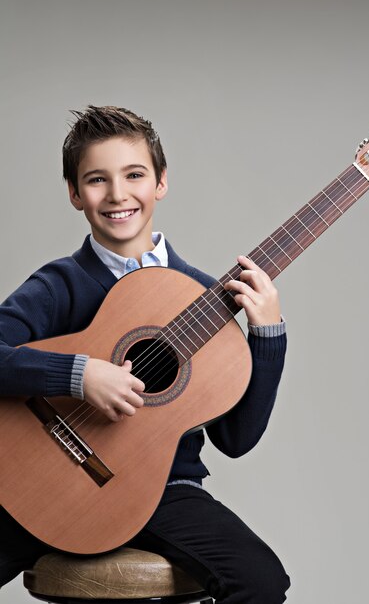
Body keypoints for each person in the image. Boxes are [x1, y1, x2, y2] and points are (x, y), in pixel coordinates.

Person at [0, 106, 290, 602]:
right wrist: (78, 374)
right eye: (96, 179)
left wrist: (267, 334)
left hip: (164, 493)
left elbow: (236, 439)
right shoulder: (60, 284)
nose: (117, 194)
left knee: (261, 581)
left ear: (160, 183)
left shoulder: (204, 297)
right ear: (74, 193)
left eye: (134, 175)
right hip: (42, 484)